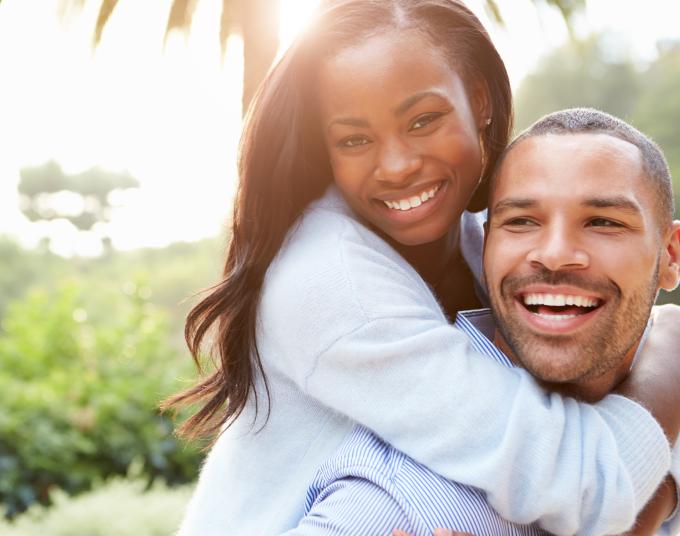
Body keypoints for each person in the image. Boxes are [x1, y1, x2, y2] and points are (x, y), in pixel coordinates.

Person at [171, 2, 680, 535]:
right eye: (354, 140)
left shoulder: (481, 238)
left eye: (423, 120)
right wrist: (671, 348)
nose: (396, 165)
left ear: (479, 100)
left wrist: (659, 492)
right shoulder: (330, 279)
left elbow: (601, 432)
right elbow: (583, 485)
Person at [283, 108, 680, 536]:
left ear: (670, 257)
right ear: (487, 242)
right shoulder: (396, 496)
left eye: (603, 222)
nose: (554, 252)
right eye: (522, 221)